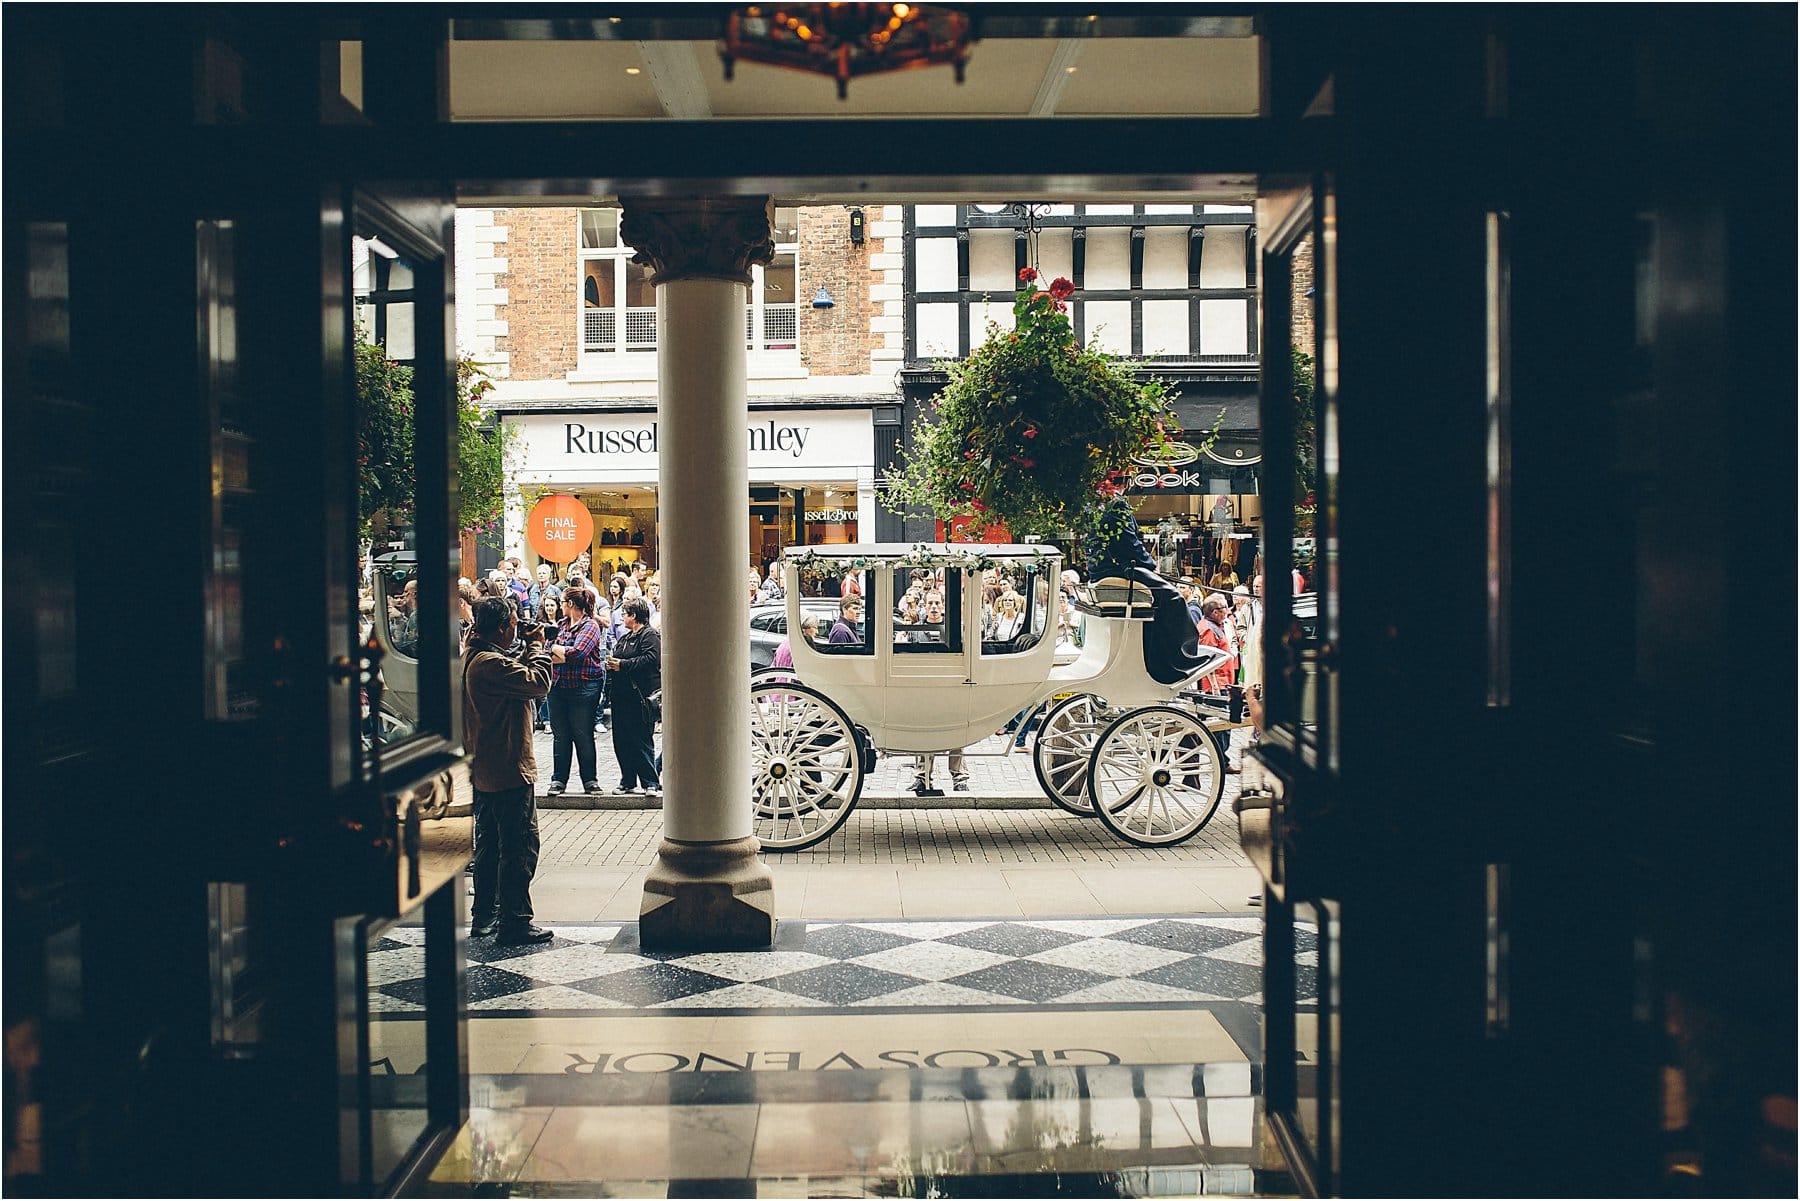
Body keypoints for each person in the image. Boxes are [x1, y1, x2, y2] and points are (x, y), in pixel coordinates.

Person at [462, 596, 555, 945]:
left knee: (489, 845)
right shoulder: (488, 664)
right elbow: (538, 681)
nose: (517, 628)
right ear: (501, 627)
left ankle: (485, 914)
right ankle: (515, 919)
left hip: (484, 767)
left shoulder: (472, 656)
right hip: (507, 768)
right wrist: (536, 646)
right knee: (519, 846)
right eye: (514, 624)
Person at [906, 589, 970, 793]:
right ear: (924, 605)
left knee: (957, 732)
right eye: (930, 603)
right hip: (923, 688)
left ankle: (959, 778)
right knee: (923, 733)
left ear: (943, 605)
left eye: (937, 603)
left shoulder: (956, 628)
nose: (934, 607)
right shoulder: (916, 630)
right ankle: (922, 776)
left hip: (952, 687)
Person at [546, 586, 606, 796]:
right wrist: (559, 652)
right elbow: (546, 652)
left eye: (562, 602)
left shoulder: (591, 626)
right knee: (560, 736)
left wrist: (557, 650)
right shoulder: (560, 625)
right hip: (558, 686)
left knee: (582, 734)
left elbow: (578, 653)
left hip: (584, 687)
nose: (561, 606)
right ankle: (558, 781)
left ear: (570, 604)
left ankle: (590, 780)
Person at [605, 597, 662, 797]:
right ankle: (627, 780)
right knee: (621, 740)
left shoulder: (649, 636)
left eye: (624, 614)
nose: (622, 619)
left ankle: (650, 782)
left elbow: (651, 659)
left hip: (639, 698)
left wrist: (622, 665)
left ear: (634, 616)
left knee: (641, 739)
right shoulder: (624, 638)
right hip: (621, 697)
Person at [531, 593, 565, 730]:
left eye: (552, 605)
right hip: (545, 659)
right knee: (545, 692)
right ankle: (546, 721)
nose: (549, 608)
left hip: (558, 662)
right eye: (547, 605)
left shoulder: (563, 622)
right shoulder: (540, 623)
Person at [1196, 594, 1238, 695]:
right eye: (1225, 608)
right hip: (1217, 686)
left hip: (1223, 682)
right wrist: (1214, 686)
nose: (1228, 611)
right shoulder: (1208, 629)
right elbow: (1208, 660)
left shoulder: (1214, 626)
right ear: (1215, 612)